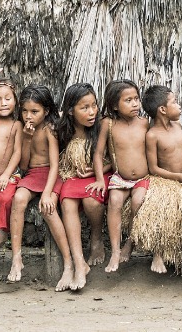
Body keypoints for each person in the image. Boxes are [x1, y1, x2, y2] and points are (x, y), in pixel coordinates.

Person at [7, 84, 74, 291]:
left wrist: (47, 193)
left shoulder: (49, 129)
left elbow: (55, 165)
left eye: (34, 112)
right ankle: (16, 257)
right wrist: (27, 137)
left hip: (52, 175)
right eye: (25, 111)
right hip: (33, 174)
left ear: (46, 111)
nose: (28, 116)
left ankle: (68, 263)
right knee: (18, 199)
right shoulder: (23, 128)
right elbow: (25, 165)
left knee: (48, 209)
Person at [130, 84, 182, 273]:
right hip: (168, 180)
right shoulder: (152, 135)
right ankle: (158, 253)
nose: (179, 106)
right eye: (174, 102)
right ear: (163, 110)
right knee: (161, 208)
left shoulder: (176, 125)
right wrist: (177, 176)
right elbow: (154, 168)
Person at [87, 79, 150, 273]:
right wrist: (99, 178)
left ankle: (130, 243)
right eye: (128, 100)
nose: (135, 104)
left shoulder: (145, 123)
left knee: (137, 202)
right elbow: (98, 154)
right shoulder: (108, 123)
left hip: (142, 177)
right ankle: (115, 250)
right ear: (115, 105)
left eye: (136, 99)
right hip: (120, 178)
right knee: (114, 202)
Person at [57, 83, 111, 290]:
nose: (91, 112)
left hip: (100, 174)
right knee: (67, 203)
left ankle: (96, 237)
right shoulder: (63, 129)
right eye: (84, 107)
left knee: (91, 200)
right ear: (70, 111)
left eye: (94, 105)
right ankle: (79, 263)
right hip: (72, 175)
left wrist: (99, 172)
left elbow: (118, 159)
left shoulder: (104, 125)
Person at [0, 60, 22, 256]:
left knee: (6, 198)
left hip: (6, 177)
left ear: (15, 100)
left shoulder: (16, 125)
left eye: (8, 98)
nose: (3, 103)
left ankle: (2, 236)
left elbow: (17, 152)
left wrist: (6, 174)